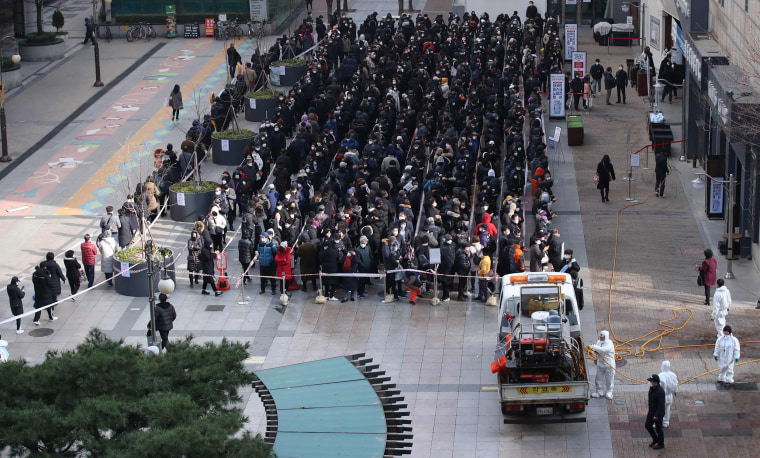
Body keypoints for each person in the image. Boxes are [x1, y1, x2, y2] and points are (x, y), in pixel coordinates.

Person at [589, 330, 615, 399]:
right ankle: (599, 392)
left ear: (606, 337)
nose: (601, 338)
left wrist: (594, 346)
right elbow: (597, 351)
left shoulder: (609, 344)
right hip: (600, 364)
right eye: (600, 337)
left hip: (609, 365)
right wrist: (593, 351)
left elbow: (603, 350)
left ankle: (609, 392)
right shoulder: (598, 342)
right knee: (598, 379)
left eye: (602, 337)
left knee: (609, 379)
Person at [645, 374, 666, 450]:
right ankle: (655, 439)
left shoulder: (660, 392)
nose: (650, 382)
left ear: (655, 382)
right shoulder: (652, 388)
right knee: (647, 425)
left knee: (658, 428)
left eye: (651, 381)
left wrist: (657, 415)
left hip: (658, 413)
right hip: (651, 411)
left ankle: (661, 443)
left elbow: (661, 405)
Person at [658, 360, 678, 428]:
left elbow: (660, 386)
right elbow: (675, 384)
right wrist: (675, 391)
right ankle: (665, 422)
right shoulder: (673, 375)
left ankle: (656, 422)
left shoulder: (660, 376)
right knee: (667, 409)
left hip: (661, 396)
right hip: (669, 395)